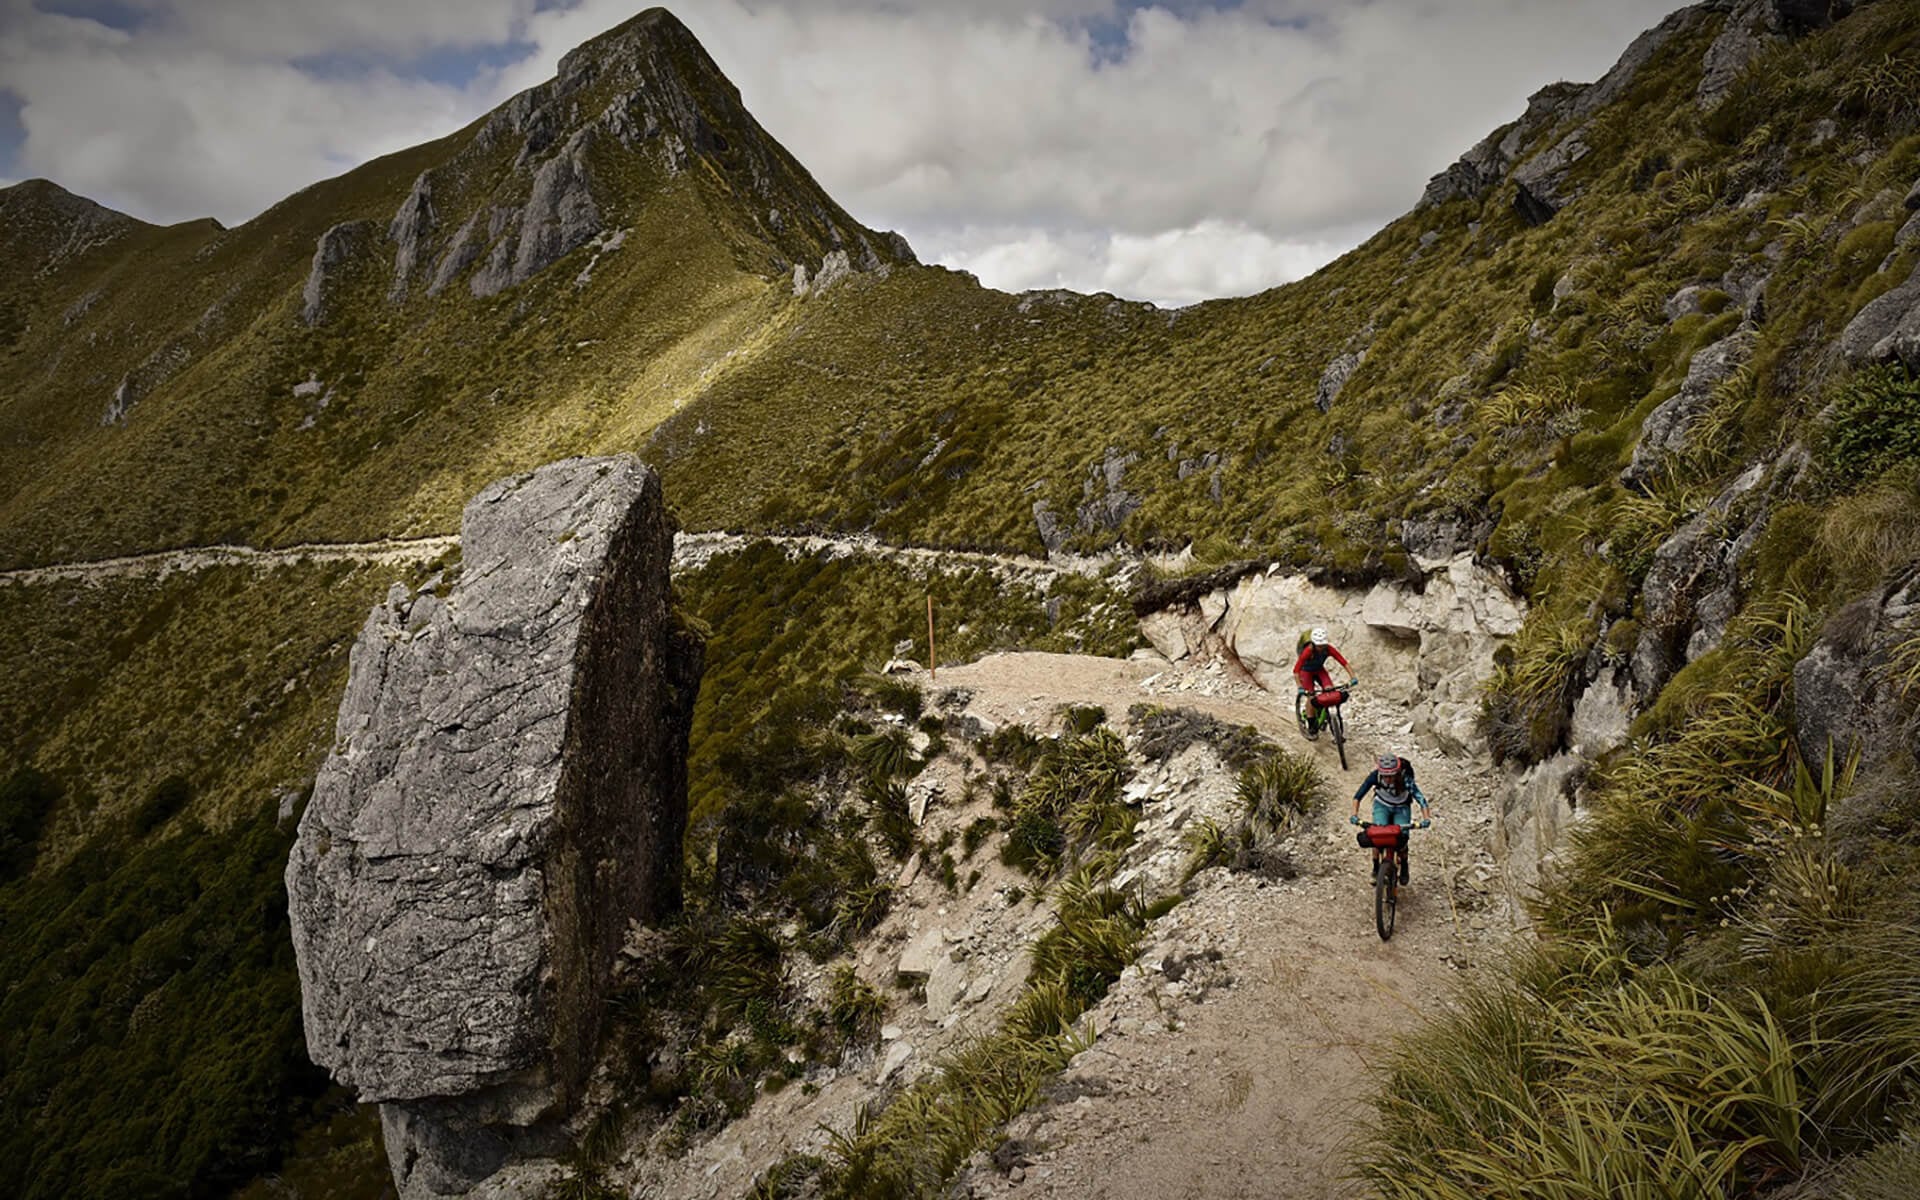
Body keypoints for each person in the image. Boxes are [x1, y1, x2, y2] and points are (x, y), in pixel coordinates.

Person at [1349, 754, 1432, 884]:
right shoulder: (1375, 776)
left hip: (1402, 807)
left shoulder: (1406, 779)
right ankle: (1376, 867)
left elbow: (1420, 799)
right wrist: (1354, 814)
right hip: (1382, 805)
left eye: (1391, 776)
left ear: (1397, 773)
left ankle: (1404, 864)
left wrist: (1426, 818)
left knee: (1402, 838)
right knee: (1377, 835)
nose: (1387, 779)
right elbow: (1358, 796)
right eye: (1385, 776)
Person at [1292, 627, 1352, 739]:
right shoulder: (1308, 651)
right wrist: (1300, 687)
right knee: (1311, 697)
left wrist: (1353, 677)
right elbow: (1296, 671)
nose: (1321, 648)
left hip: (1319, 670)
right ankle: (1311, 725)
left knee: (1330, 690)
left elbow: (1343, 662)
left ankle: (1333, 724)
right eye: (1319, 646)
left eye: (1323, 645)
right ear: (1314, 644)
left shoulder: (1328, 649)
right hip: (1306, 672)